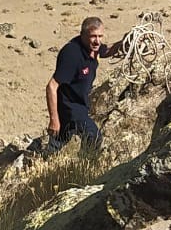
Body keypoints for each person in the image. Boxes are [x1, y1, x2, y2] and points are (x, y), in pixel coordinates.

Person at [46, 16, 123, 151]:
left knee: (57, 144)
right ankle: (87, 166)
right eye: (93, 36)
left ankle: (41, 163)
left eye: (100, 36)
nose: (97, 41)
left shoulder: (93, 48)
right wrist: (54, 119)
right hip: (70, 107)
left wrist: (126, 42)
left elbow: (108, 50)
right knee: (94, 137)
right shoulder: (72, 54)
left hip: (80, 103)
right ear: (83, 35)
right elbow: (52, 86)